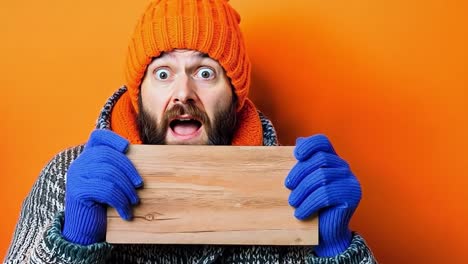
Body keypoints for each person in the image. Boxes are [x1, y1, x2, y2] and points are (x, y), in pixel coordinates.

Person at [5, 0, 377, 263]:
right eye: (163, 73)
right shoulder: (66, 176)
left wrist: (335, 248)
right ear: (138, 95)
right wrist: (75, 239)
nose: (183, 92)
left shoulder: (294, 189)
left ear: (234, 96)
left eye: (205, 72)